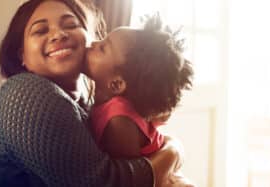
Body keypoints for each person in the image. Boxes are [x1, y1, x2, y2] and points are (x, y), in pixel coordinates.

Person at [0, 0, 182, 186]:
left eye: (70, 25)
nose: (58, 34)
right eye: (40, 31)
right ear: (22, 55)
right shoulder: (26, 93)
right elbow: (105, 183)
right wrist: (172, 153)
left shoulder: (87, 104)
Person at [83, 14, 194, 186]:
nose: (94, 43)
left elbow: (132, 179)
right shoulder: (107, 104)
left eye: (103, 48)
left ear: (116, 84)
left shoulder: (118, 120)